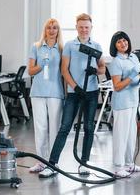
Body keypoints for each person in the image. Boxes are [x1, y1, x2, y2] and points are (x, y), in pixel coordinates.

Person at [38, 13, 106, 178]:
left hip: (91, 93)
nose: (84, 30)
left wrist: (95, 71)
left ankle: (84, 163)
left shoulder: (96, 45)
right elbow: (64, 70)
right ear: (77, 27)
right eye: (81, 27)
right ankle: (52, 164)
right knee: (65, 127)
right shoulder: (69, 45)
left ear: (91, 28)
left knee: (89, 127)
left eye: (87, 27)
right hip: (74, 93)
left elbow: (102, 69)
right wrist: (75, 87)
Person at [27, 18, 64, 173]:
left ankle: (53, 163)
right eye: (49, 27)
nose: (51, 30)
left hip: (55, 93)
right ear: (45, 29)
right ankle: (41, 162)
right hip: (38, 92)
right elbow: (30, 71)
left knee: (54, 128)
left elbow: (65, 72)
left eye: (55, 27)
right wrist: (41, 65)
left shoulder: (62, 48)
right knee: (40, 127)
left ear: (58, 30)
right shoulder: (36, 47)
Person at [108, 31, 140, 177]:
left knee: (131, 134)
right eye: (119, 42)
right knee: (121, 135)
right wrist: (132, 77)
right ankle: (119, 166)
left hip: (133, 101)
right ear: (115, 46)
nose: (123, 43)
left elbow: (139, 73)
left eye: (124, 40)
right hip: (122, 103)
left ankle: (130, 164)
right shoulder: (115, 62)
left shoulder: (134, 57)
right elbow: (117, 86)